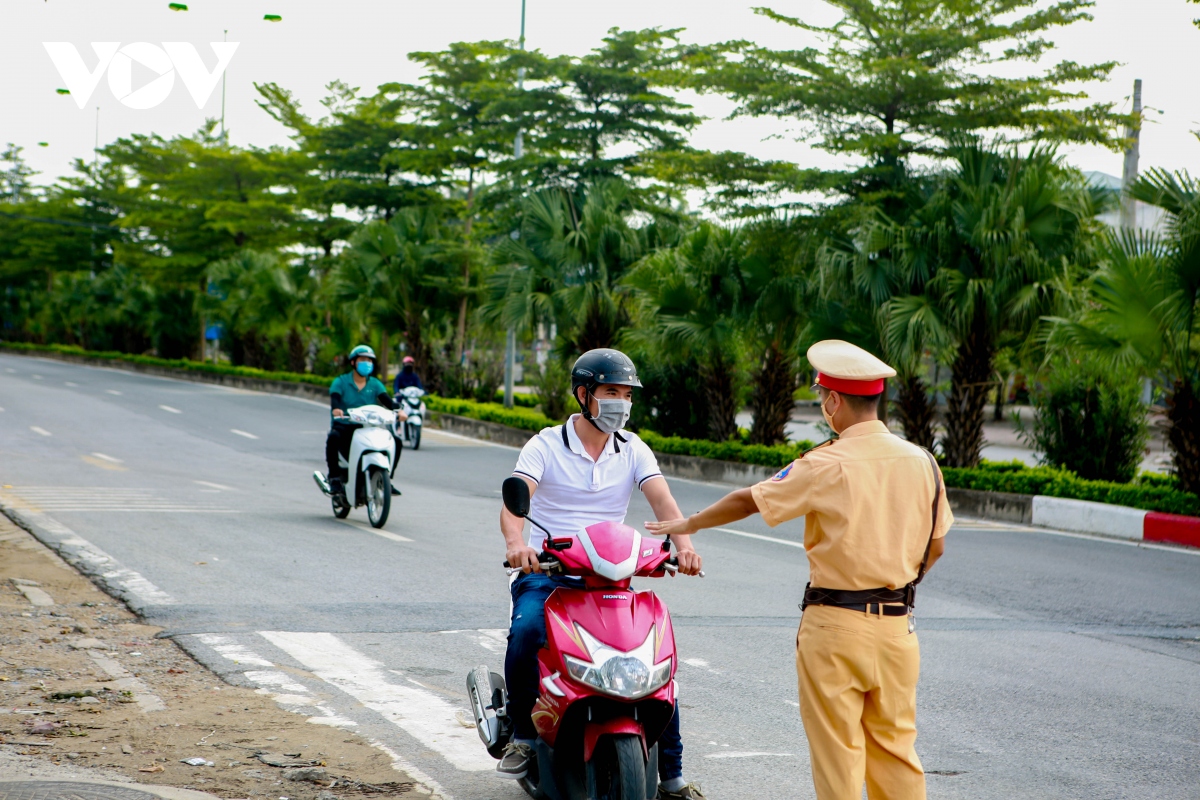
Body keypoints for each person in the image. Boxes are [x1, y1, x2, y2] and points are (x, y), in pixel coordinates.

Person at [647, 340, 952, 800]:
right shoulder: (923, 462)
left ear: (833, 401)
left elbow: (750, 500)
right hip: (897, 633)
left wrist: (689, 523)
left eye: (821, 399)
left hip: (835, 628)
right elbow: (937, 547)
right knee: (897, 753)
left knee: (839, 758)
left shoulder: (824, 463)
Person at [499, 348, 708, 800]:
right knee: (527, 632)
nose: (621, 403)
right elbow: (515, 504)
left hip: (609, 577)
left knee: (655, 658)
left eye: (627, 394)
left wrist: (685, 547)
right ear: (584, 394)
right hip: (549, 573)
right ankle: (522, 737)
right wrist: (518, 546)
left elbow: (664, 504)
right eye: (611, 392)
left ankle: (670, 776)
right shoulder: (545, 445)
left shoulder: (633, 450)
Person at [325, 345, 406, 499]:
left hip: (368, 428)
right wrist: (336, 410)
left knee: (396, 442)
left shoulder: (375, 384)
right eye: (363, 360)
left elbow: (387, 401)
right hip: (346, 426)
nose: (366, 363)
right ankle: (334, 478)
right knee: (333, 437)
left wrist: (399, 411)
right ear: (353, 362)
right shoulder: (340, 382)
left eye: (369, 360)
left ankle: (387, 479)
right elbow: (335, 400)